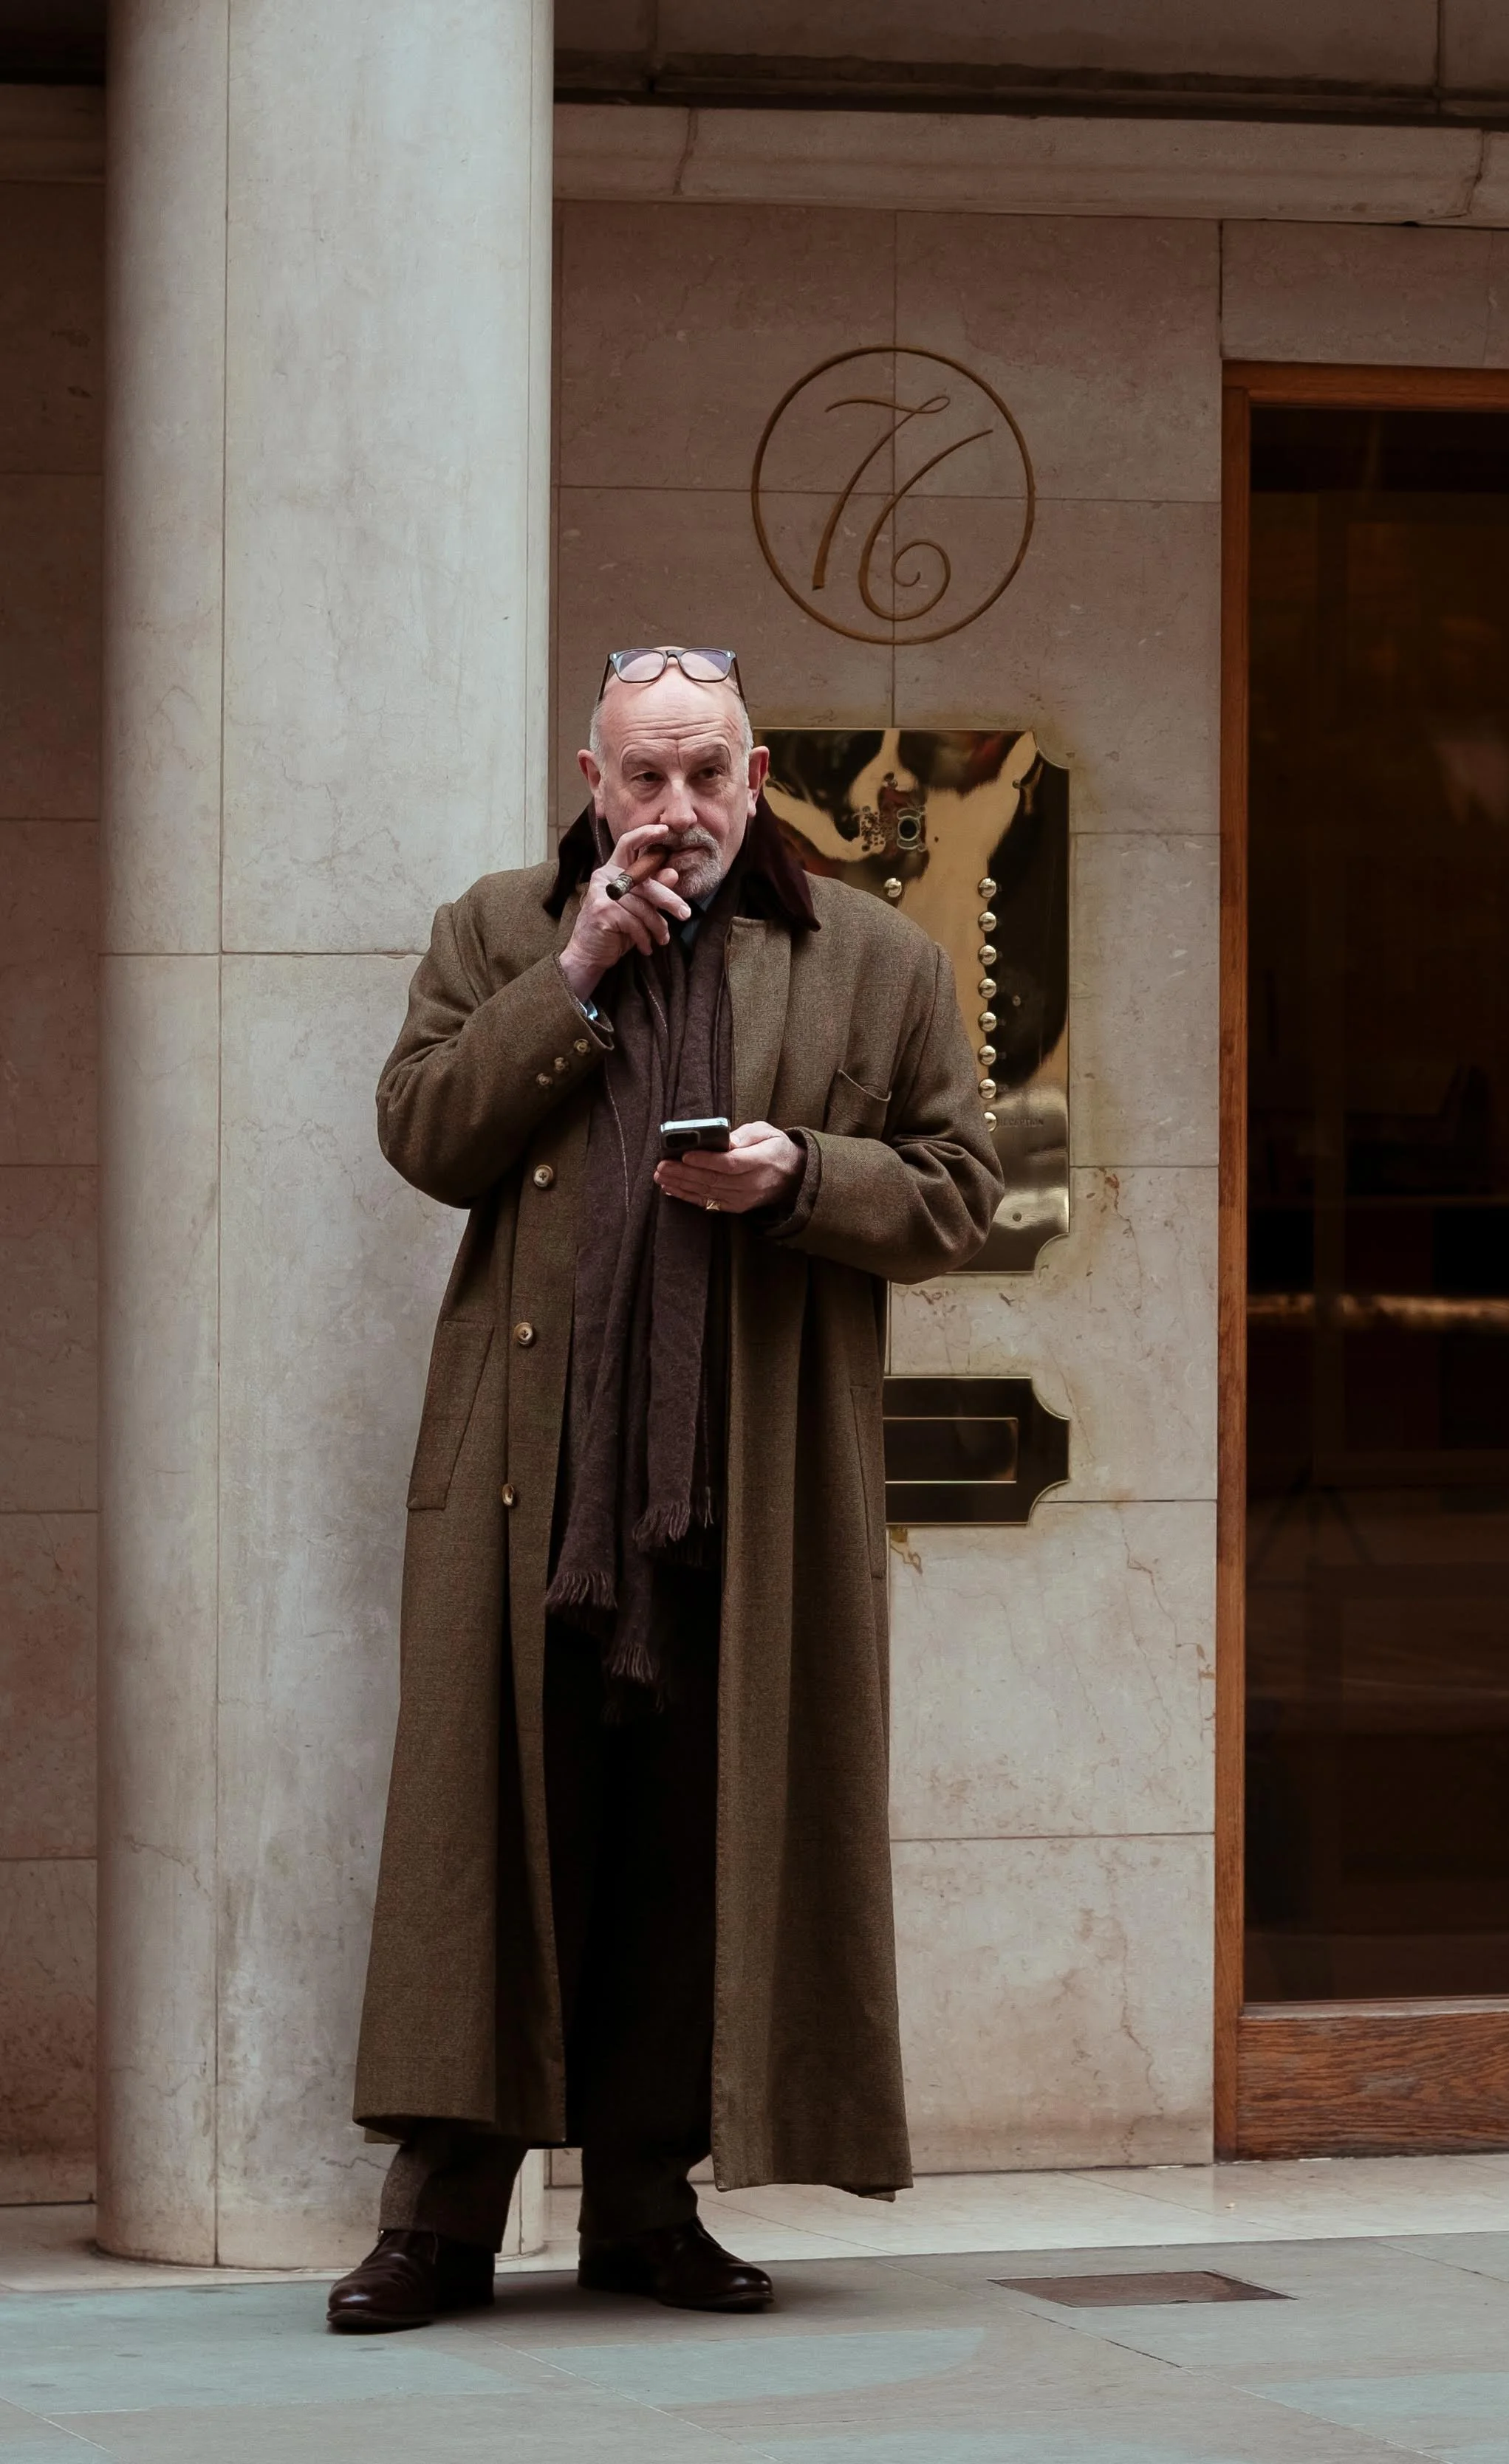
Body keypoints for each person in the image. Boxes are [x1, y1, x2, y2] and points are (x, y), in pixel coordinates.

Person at [327, 646, 1002, 2331]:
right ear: (590, 775)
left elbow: (960, 1193)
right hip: (526, 1492)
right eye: (643, 776)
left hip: (746, 1493)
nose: (676, 812)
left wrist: (799, 1176)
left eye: (706, 774)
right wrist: (571, 975)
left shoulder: (875, 959)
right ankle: (440, 2225)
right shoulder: (497, 929)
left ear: (757, 776)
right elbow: (422, 1135)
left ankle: (644, 2206)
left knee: (691, 1852)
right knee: (496, 1840)